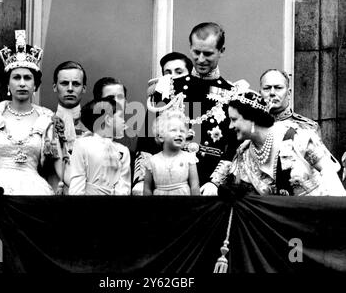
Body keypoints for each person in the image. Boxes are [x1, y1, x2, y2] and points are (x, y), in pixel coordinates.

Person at [0, 30, 63, 195]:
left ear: (35, 85)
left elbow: (55, 171)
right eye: (16, 78)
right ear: (8, 84)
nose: (22, 83)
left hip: (36, 195)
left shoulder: (47, 121)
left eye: (28, 78)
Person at [148, 23, 239, 193]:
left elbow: (235, 146)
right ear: (190, 47)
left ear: (222, 51)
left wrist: (216, 182)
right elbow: (147, 139)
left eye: (208, 53)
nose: (201, 59)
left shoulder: (232, 93)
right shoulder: (168, 88)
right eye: (196, 52)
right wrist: (141, 181)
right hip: (167, 183)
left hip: (210, 186)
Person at [209, 90, 345, 196]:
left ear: (252, 119)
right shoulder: (245, 155)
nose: (230, 126)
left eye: (234, 119)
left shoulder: (295, 136)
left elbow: (329, 172)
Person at [134, 52, 194, 195]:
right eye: (167, 73)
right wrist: (142, 180)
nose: (172, 76)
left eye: (179, 72)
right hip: (159, 177)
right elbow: (145, 145)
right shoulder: (158, 104)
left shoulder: (198, 103)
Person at [68, 96, 131, 195]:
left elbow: (124, 188)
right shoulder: (82, 145)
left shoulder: (123, 151)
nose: (124, 121)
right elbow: (77, 185)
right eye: (120, 117)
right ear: (108, 120)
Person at [143, 109, 200, 196]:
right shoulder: (152, 161)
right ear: (161, 136)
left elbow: (195, 186)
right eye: (174, 130)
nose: (179, 134)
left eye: (182, 131)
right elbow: (147, 188)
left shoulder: (189, 158)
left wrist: (197, 208)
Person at [259, 69, 320, 135]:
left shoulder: (307, 128)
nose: (272, 93)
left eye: (278, 88)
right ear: (260, 93)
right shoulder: (250, 127)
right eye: (267, 88)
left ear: (288, 93)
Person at [53, 60, 89, 154]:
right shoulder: (46, 124)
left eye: (76, 84)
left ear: (84, 88)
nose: (70, 89)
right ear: (55, 87)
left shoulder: (93, 128)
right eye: (64, 83)